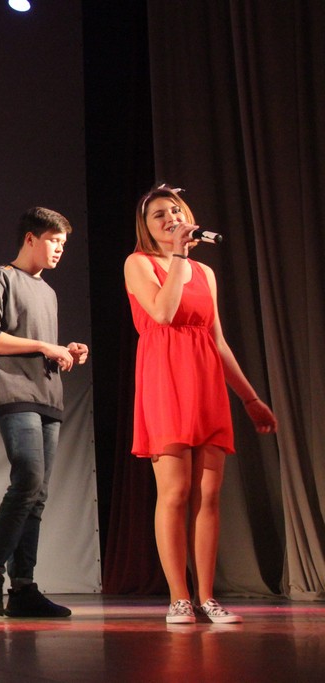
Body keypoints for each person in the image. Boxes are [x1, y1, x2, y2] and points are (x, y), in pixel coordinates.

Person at [124, 184, 277, 624]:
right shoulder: (139, 263)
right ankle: (179, 598)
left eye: (175, 211)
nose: (170, 218)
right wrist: (177, 256)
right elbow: (164, 313)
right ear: (146, 226)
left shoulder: (205, 273)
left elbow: (217, 340)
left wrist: (250, 398)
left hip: (205, 380)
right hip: (165, 377)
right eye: (158, 214)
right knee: (175, 492)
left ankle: (207, 597)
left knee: (209, 494)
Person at [0, 207, 88, 619]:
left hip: (48, 397)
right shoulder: (0, 278)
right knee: (28, 481)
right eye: (53, 241)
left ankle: (23, 588)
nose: (59, 249)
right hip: (15, 394)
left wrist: (64, 350)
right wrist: (43, 346)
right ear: (31, 239)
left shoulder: (48, 292)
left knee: (38, 496)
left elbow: (41, 345)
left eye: (63, 244)